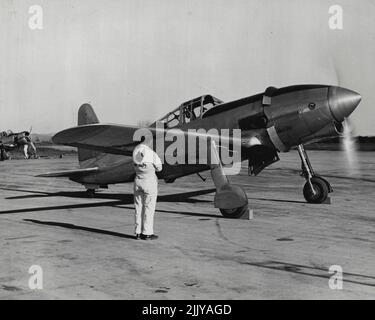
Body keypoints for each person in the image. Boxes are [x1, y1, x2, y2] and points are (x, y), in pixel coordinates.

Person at [132, 139, 162, 240]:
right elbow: (159, 168)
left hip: (138, 180)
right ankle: (147, 233)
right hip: (149, 181)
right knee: (149, 208)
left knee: (138, 207)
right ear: (148, 142)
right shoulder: (151, 153)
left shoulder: (135, 151)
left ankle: (138, 232)